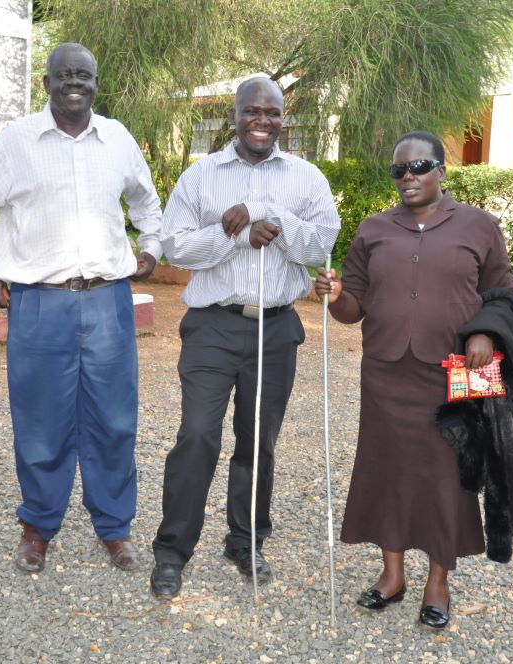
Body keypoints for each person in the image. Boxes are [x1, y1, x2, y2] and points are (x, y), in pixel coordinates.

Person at [0, 43, 162, 574]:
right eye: (64, 74)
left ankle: (114, 528)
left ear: (97, 83)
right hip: (39, 305)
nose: (75, 82)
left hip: (108, 302)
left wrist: (152, 248)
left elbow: (147, 201)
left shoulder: (116, 139)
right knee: (41, 423)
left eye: (85, 75)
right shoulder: (16, 142)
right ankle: (38, 527)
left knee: (114, 422)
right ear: (46, 83)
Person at [314, 130, 513, 629]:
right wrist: (337, 293)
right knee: (387, 469)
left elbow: (504, 296)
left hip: (455, 373)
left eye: (419, 166)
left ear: (442, 171)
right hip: (385, 370)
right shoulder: (373, 229)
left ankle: (438, 583)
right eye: (398, 170)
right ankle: (392, 576)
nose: (407, 176)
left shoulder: (478, 225)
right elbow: (351, 310)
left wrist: (486, 334)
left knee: (448, 477)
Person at [149, 77, 341, 599]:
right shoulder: (201, 176)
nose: (263, 121)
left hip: (276, 326)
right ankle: (172, 551)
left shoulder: (306, 178)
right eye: (252, 111)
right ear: (235, 115)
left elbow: (322, 244)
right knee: (197, 436)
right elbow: (173, 247)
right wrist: (230, 234)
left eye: (272, 112)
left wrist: (272, 219)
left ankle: (245, 539)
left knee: (259, 442)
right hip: (214, 325)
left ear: (283, 116)